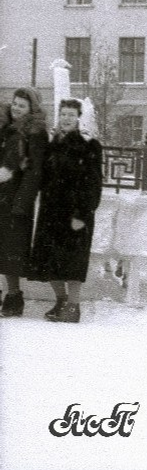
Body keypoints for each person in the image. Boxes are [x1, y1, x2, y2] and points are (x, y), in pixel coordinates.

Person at [26, 99, 102, 323]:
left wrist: (82, 214)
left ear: (78, 118)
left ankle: (73, 307)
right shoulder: (53, 145)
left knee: (73, 261)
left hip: (75, 213)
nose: (66, 118)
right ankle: (61, 300)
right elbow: (42, 176)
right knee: (49, 259)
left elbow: (94, 184)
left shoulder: (89, 145)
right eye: (63, 114)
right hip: (51, 212)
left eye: (71, 115)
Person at [0, 87, 48, 317]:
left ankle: (14, 297)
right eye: (15, 103)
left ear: (31, 109)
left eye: (22, 105)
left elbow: (34, 171)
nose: (16, 108)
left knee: (12, 250)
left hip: (15, 199)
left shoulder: (35, 133)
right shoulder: (6, 128)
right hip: (1, 194)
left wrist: (22, 202)